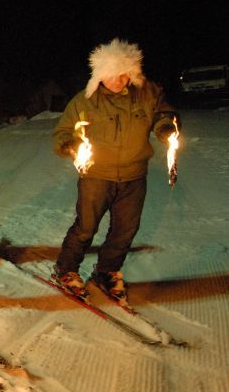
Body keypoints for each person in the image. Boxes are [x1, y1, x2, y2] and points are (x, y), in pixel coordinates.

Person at [52, 39, 181, 299]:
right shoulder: (84, 101)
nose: (119, 80)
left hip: (134, 176)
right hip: (96, 176)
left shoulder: (147, 93)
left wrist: (166, 128)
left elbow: (163, 114)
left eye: (124, 74)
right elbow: (63, 131)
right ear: (100, 74)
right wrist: (69, 144)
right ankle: (66, 269)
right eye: (113, 75)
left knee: (125, 230)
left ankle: (107, 271)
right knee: (86, 228)